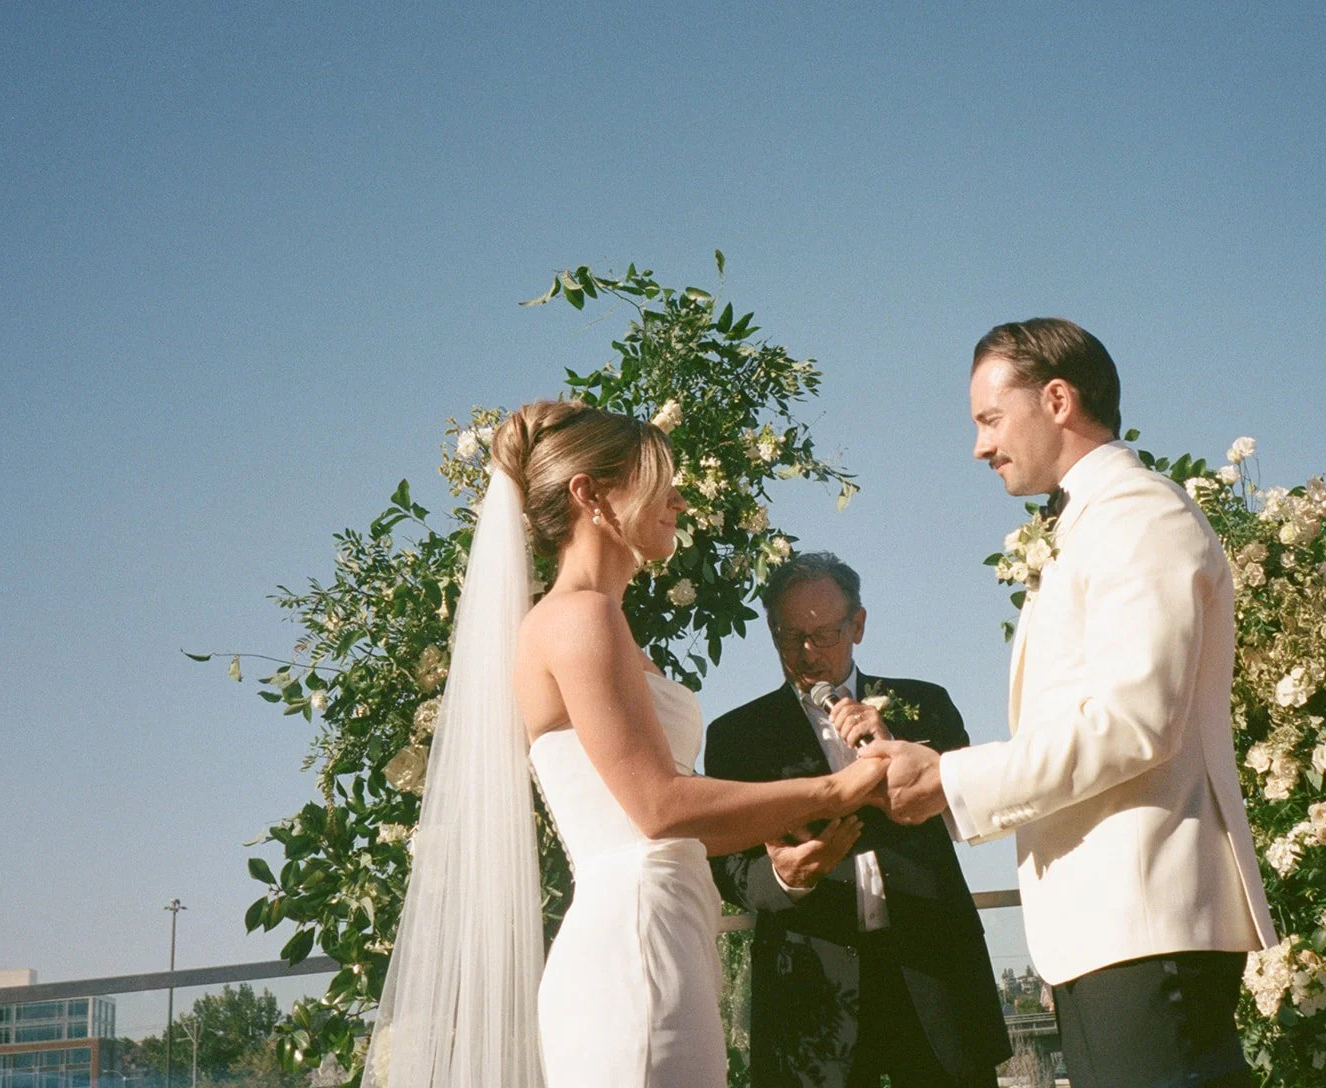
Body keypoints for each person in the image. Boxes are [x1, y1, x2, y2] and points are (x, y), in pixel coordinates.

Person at [363, 400, 887, 1088]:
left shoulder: (598, 621)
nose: (675, 498)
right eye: (656, 480)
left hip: (661, 928)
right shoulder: (580, 618)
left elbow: (657, 811)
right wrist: (837, 787)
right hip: (636, 947)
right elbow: (659, 807)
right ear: (592, 495)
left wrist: (785, 835)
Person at [864, 319, 1278, 1088]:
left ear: (1057, 399)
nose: (979, 448)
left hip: (1149, 921)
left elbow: (1133, 720)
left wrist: (951, 780)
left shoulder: (1139, 513)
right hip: (1103, 929)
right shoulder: (1091, 522)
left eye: (989, 419)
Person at [705, 552, 1010, 1088]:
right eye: (788, 635)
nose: (806, 654)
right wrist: (786, 878)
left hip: (935, 975)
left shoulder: (926, 705)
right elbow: (728, 863)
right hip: (815, 992)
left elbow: (965, 805)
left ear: (859, 625)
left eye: (824, 634)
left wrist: (892, 741)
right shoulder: (738, 736)